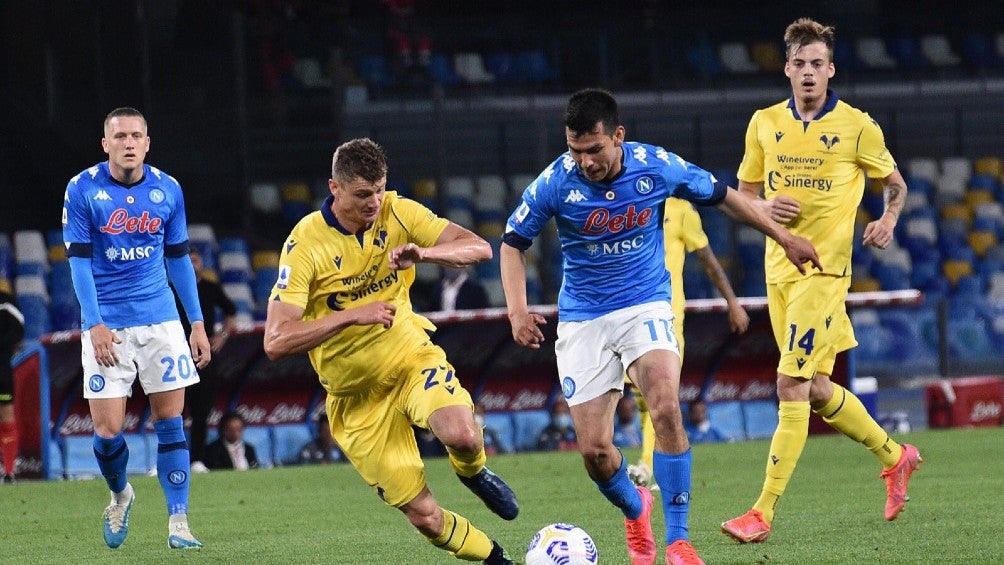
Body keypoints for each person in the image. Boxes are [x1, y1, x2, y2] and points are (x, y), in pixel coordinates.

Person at [500, 88, 819, 565]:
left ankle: (678, 541)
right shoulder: (554, 182)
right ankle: (637, 508)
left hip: (646, 304)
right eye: (575, 150)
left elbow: (727, 198)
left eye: (594, 150)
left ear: (618, 137)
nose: (585, 161)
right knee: (596, 452)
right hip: (584, 318)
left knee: (666, 406)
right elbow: (511, 243)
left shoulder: (658, 165)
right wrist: (517, 311)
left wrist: (784, 236)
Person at [263, 138, 518, 565]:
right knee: (426, 518)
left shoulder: (398, 211)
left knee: (462, 434)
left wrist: (428, 253)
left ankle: (474, 472)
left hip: (409, 359)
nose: (374, 202)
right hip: (356, 400)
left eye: (379, 189)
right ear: (335, 188)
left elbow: (479, 247)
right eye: (363, 194)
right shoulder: (305, 243)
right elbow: (275, 340)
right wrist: (349, 316)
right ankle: (498, 559)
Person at [720, 18, 920, 546]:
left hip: (825, 274)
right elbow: (743, 198)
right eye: (800, 64)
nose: (809, 73)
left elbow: (895, 185)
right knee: (815, 388)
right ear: (786, 69)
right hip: (778, 271)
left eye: (818, 64)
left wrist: (888, 219)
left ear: (831, 70)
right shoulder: (764, 123)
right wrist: (764, 206)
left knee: (789, 384)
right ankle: (896, 456)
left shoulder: (857, 125)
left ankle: (761, 513)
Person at [62, 107, 208, 549]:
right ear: (105, 143)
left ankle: (178, 523)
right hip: (109, 324)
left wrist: (196, 322)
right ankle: (120, 493)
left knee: (171, 423)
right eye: (120, 135)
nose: (129, 142)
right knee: (107, 434)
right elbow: (79, 263)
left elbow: (179, 258)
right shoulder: (82, 189)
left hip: (161, 320)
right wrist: (95, 324)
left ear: (147, 142)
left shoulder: (169, 189)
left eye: (137, 135)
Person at [629, 198, 750, 485]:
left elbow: (708, 260)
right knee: (642, 397)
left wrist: (732, 301)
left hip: (667, 317)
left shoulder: (681, 210)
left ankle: (647, 467)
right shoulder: (627, 205)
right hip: (628, 314)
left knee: (658, 393)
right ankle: (656, 466)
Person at [175, 247, 238, 474]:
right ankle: (174, 460)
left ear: (202, 263)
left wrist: (221, 336)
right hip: (178, 355)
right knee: (174, 413)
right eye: (187, 261)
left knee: (202, 413)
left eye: (195, 260)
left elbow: (231, 311)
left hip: (204, 356)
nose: (192, 265)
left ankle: (197, 460)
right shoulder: (172, 290)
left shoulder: (210, 288)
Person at [0, 289, 24, 483]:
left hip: (2, 371)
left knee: (7, 417)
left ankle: (9, 471)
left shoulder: (6, 302)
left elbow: (18, 331)